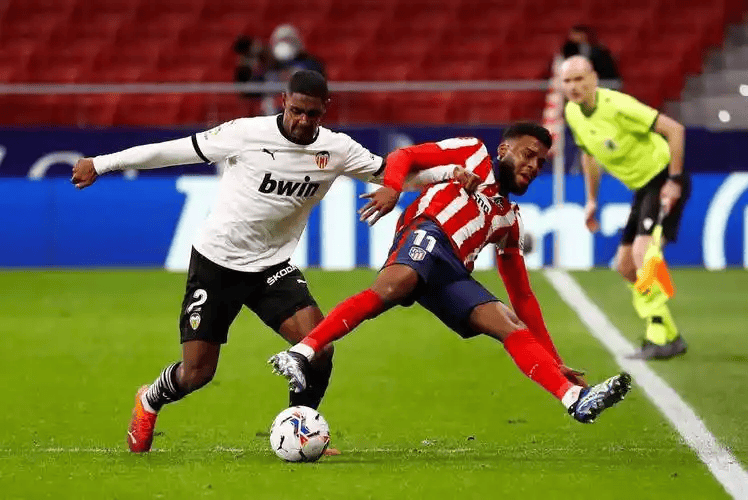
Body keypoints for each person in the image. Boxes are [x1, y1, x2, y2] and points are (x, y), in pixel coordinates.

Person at [70, 70, 468, 453]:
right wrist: (102, 163)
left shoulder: (336, 149)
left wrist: (451, 173)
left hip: (271, 267)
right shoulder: (245, 134)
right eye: (296, 111)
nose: (303, 121)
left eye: (312, 114)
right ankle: (150, 399)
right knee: (197, 373)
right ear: (283, 101)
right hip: (217, 263)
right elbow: (172, 151)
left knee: (319, 348)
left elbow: (393, 173)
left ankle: (300, 428)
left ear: (325, 109)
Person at [269, 123, 632, 425]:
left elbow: (523, 295)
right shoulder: (472, 153)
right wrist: (392, 187)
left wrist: (554, 361)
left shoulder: (510, 221)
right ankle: (302, 352)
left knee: (508, 322)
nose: (534, 165)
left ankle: (573, 397)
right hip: (428, 231)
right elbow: (404, 156)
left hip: (453, 270)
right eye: (528, 154)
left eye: (540, 161)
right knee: (393, 287)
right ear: (504, 149)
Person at [560, 55, 690, 360]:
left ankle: (658, 335)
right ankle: (670, 335)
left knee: (644, 253)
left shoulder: (618, 106)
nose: (574, 86)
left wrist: (674, 180)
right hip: (642, 189)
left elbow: (675, 130)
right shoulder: (572, 113)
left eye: (579, 79)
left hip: (662, 179)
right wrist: (592, 200)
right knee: (626, 266)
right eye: (567, 81)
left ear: (593, 79)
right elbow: (589, 156)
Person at [261, 24, 326, 115]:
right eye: (282, 40)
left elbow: (319, 84)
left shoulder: (310, 64)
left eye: (288, 40)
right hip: (272, 110)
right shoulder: (267, 65)